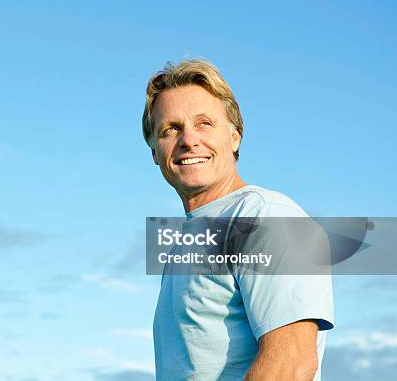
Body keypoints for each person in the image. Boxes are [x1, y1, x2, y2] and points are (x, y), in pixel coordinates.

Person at [142, 59, 334, 380]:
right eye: (171, 129)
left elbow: (291, 365)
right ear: (153, 150)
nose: (188, 140)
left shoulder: (266, 216)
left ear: (235, 137)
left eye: (205, 123)